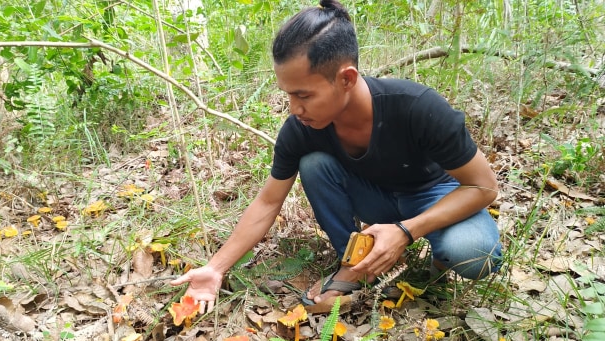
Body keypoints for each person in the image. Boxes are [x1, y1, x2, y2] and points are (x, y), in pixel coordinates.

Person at [171, 0, 502, 310]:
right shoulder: (301, 128)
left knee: (475, 253)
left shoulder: (416, 107)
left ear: (347, 78)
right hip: (375, 197)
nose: (294, 108)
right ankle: (358, 266)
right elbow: (268, 202)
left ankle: (432, 259)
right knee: (314, 164)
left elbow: (484, 186)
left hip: (430, 195)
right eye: (288, 94)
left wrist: (405, 231)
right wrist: (216, 268)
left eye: (303, 95)